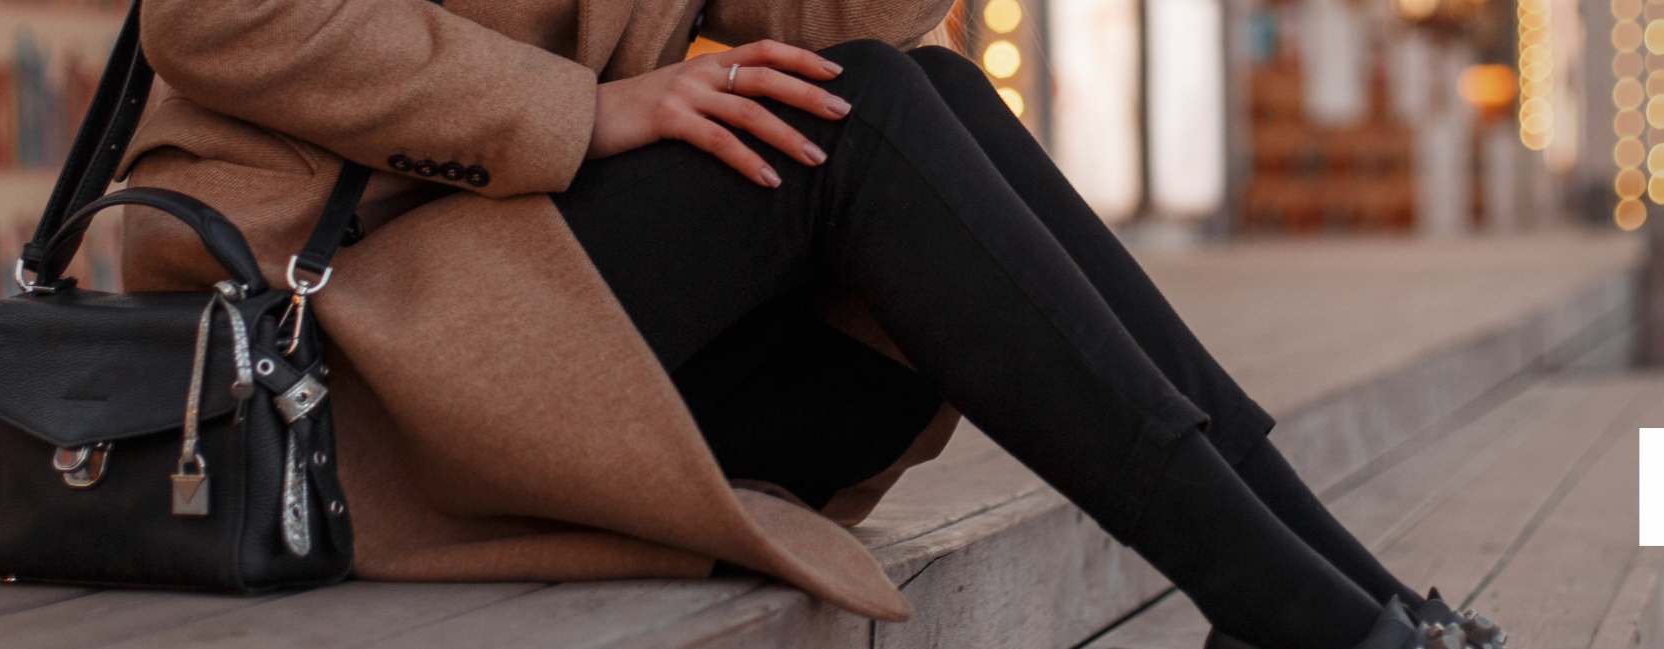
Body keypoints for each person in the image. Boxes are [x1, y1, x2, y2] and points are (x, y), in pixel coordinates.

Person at [118, 2, 1506, 648]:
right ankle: (1307, 619)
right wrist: (579, 112)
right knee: (866, 118)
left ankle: (1339, 600)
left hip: (510, 299)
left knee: (922, 89)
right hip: (308, 357)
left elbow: (829, 23)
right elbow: (209, 17)